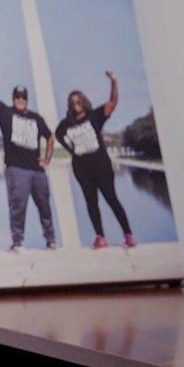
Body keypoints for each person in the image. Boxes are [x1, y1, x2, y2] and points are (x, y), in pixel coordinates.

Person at [0, 62, 56, 253]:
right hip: (16, 169)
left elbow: (50, 137)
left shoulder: (37, 119)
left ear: (27, 100)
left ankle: (51, 240)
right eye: (17, 97)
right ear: (13, 99)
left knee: (45, 207)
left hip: (37, 171)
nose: (20, 100)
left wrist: (47, 159)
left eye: (23, 97)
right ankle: (18, 242)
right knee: (18, 206)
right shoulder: (6, 113)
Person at [55, 71, 137, 249]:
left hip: (101, 166)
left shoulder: (95, 116)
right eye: (72, 102)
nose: (75, 104)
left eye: (78, 101)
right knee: (91, 202)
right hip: (82, 169)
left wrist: (114, 81)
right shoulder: (65, 124)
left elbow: (113, 102)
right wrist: (72, 149)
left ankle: (128, 234)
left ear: (83, 102)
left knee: (111, 199)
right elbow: (58, 134)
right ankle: (100, 237)